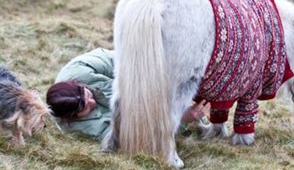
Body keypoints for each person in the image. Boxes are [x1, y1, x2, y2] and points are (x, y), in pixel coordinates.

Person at [46, 48, 209, 141]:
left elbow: (126, 60)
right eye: (85, 107)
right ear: (73, 117)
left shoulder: (79, 69)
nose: (92, 102)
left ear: (78, 84)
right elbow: (137, 136)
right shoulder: (84, 128)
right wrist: (181, 119)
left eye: (87, 94)